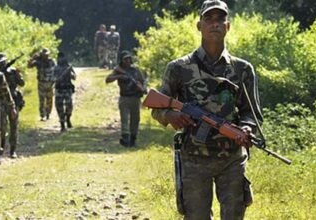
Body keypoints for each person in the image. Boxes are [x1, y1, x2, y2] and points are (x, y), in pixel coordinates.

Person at [151, 0, 263, 219]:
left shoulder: (242, 69)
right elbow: (156, 106)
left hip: (232, 158)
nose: (215, 24)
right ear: (199, 25)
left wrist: (246, 129)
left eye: (220, 19)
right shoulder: (178, 68)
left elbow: (252, 113)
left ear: (228, 26)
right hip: (193, 159)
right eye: (208, 19)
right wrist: (171, 115)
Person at [105, 51, 146, 147]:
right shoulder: (118, 70)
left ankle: (133, 140)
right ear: (121, 60)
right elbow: (108, 79)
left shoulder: (136, 70)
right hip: (124, 98)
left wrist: (141, 88)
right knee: (124, 119)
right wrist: (120, 76)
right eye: (125, 59)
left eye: (129, 58)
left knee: (135, 120)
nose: (128, 60)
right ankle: (125, 139)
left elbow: (142, 81)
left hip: (135, 98)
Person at [0, 53, 25, 158]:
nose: (2, 64)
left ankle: (13, 150)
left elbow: (22, 83)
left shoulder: (12, 71)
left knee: (14, 126)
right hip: (1, 102)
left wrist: (18, 75)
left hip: (13, 101)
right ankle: (1, 148)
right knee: (2, 127)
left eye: (3, 62)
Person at [27, 48, 56, 121]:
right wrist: (33, 58)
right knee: (42, 100)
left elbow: (55, 71)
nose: (45, 56)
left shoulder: (52, 61)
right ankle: (42, 115)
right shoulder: (38, 62)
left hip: (50, 83)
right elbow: (29, 66)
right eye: (44, 55)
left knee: (49, 100)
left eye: (47, 55)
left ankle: (48, 113)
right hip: (41, 84)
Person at [54, 52, 76, 132]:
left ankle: (68, 118)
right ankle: (62, 123)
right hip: (59, 89)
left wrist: (70, 74)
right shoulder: (55, 68)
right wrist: (58, 79)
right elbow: (53, 79)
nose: (61, 60)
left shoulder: (68, 67)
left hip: (67, 89)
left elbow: (74, 77)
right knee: (59, 106)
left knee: (69, 106)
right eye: (60, 58)